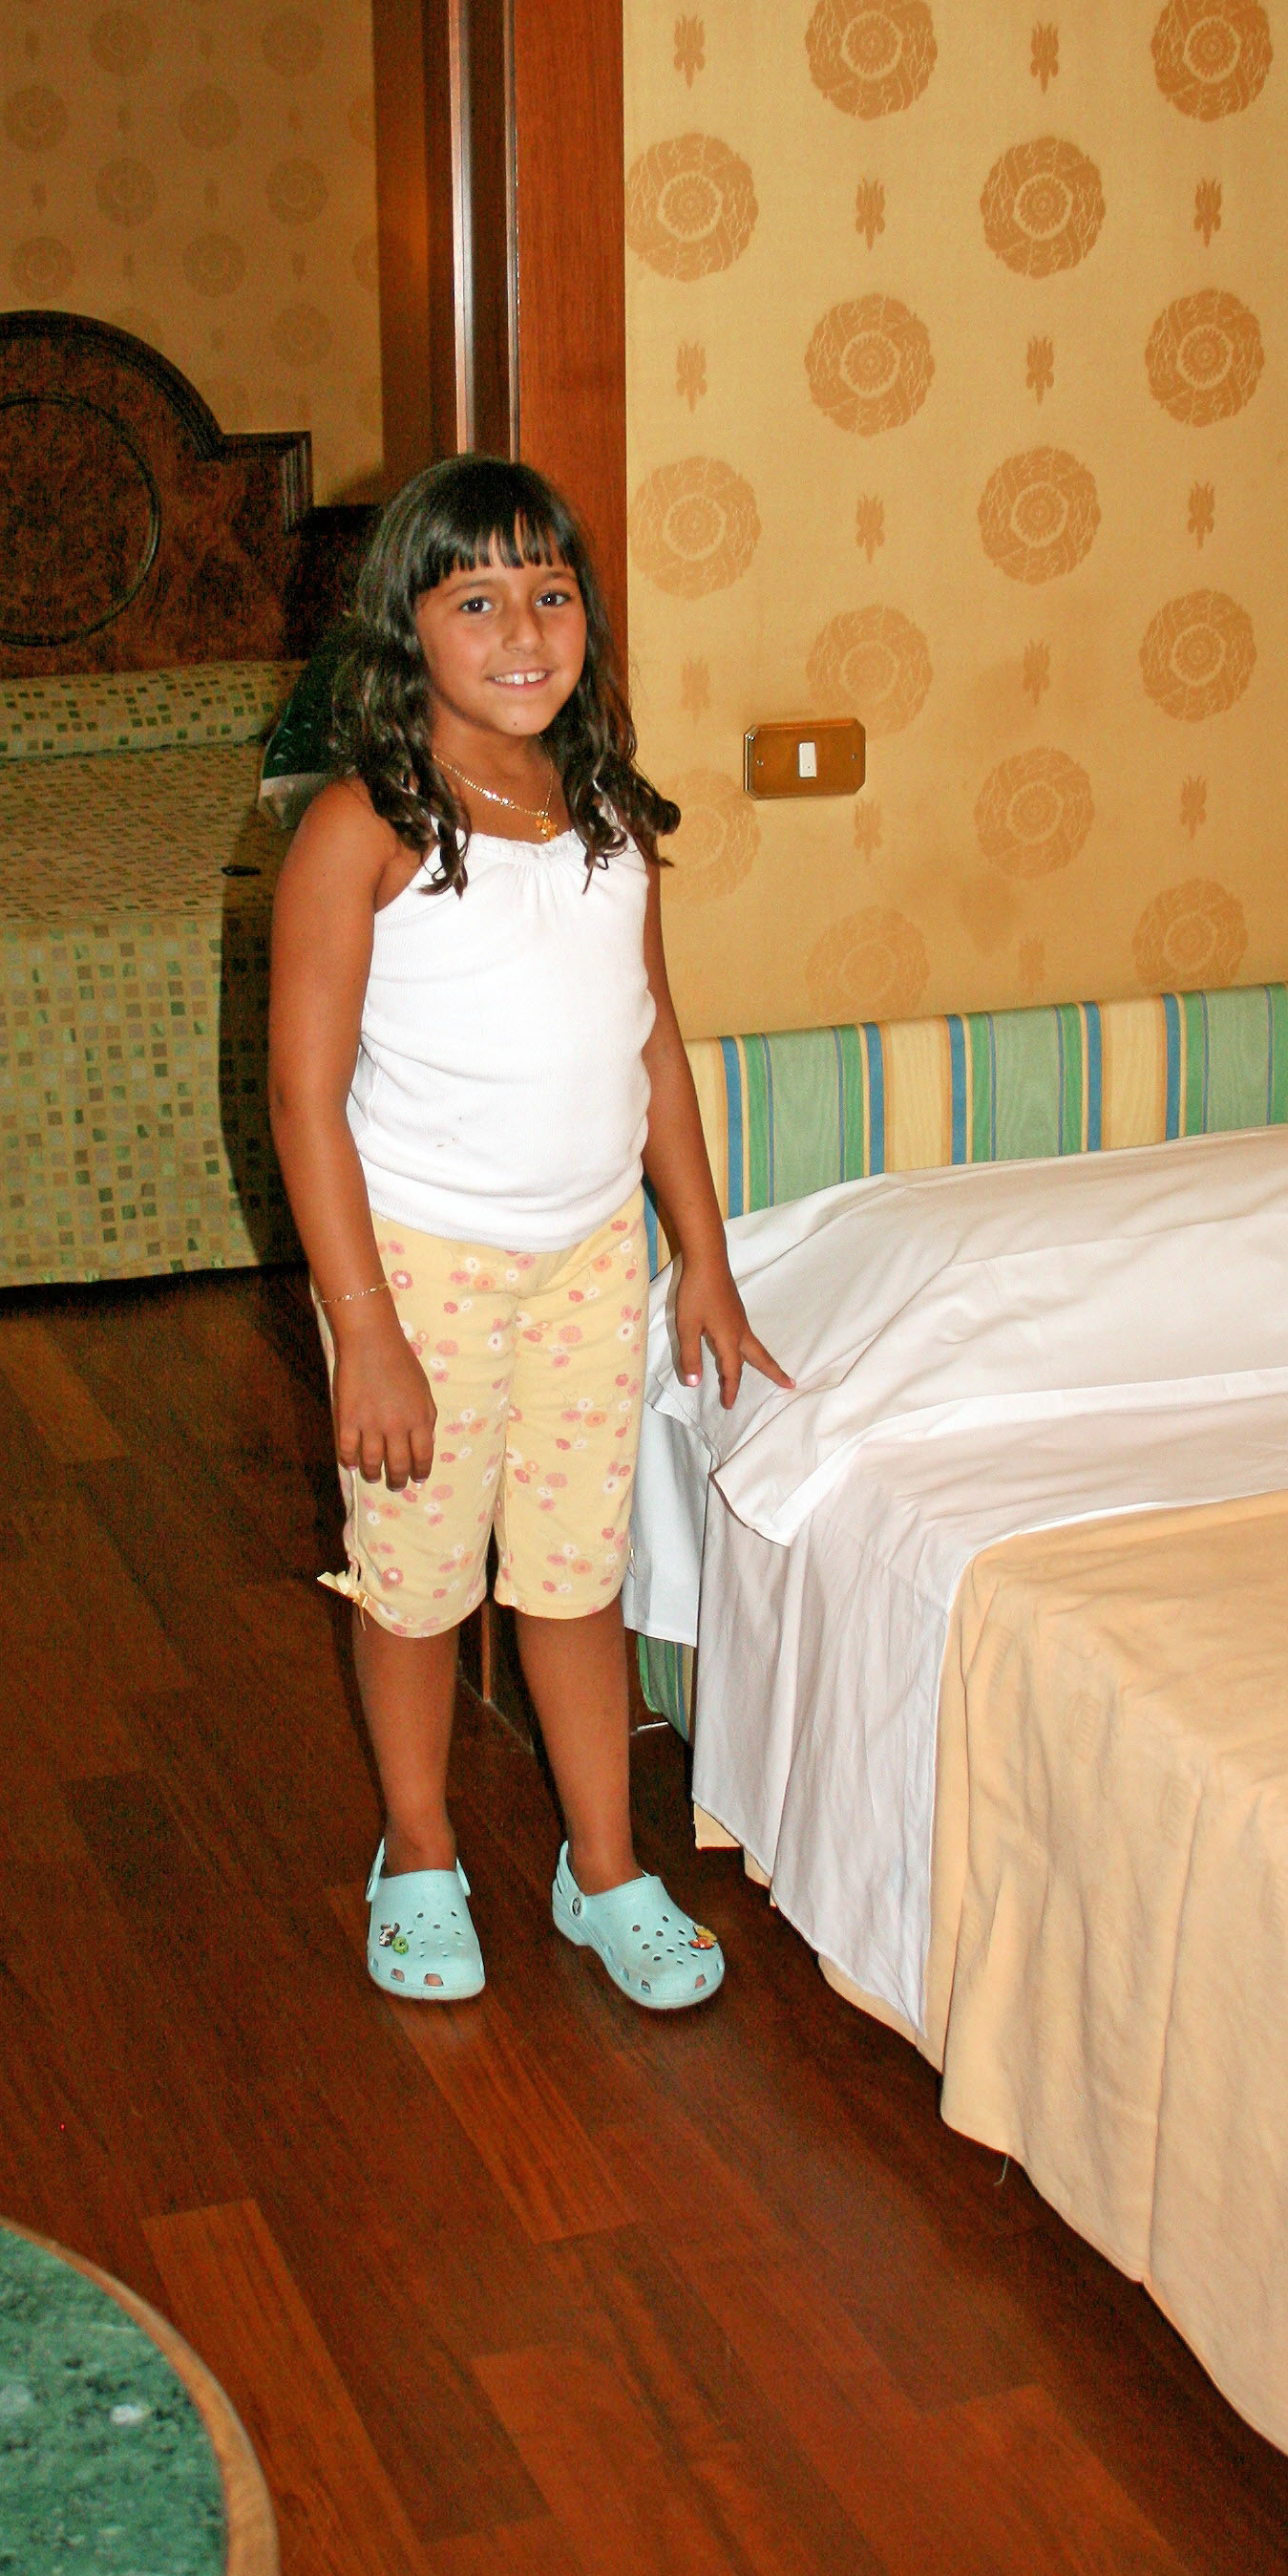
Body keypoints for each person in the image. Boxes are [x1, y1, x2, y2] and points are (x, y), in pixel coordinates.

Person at [267, 456, 787, 2010]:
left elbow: (651, 1039)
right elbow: (302, 1099)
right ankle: (420, 1849)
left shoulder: (611, 817)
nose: (522, 631)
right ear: (407, 629)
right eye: (476, 599)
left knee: (575, 1573)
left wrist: (703, 1254)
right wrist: (364, 1327)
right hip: (416, 1270)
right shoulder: (361, 830)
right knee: (418, 1579)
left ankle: (603, 1867)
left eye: (550, 594)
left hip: (586, 1257)